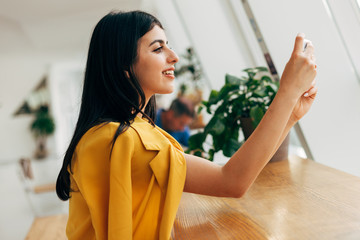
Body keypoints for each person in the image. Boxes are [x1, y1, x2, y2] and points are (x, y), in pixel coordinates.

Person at [56, 10, 317, 240]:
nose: (174, 57)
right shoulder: (128, 139)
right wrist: (287, 92)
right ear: (124, 65)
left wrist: (290, 114)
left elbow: (229, 178)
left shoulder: (119, 132)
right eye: (158, 48)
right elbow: (232, 181)